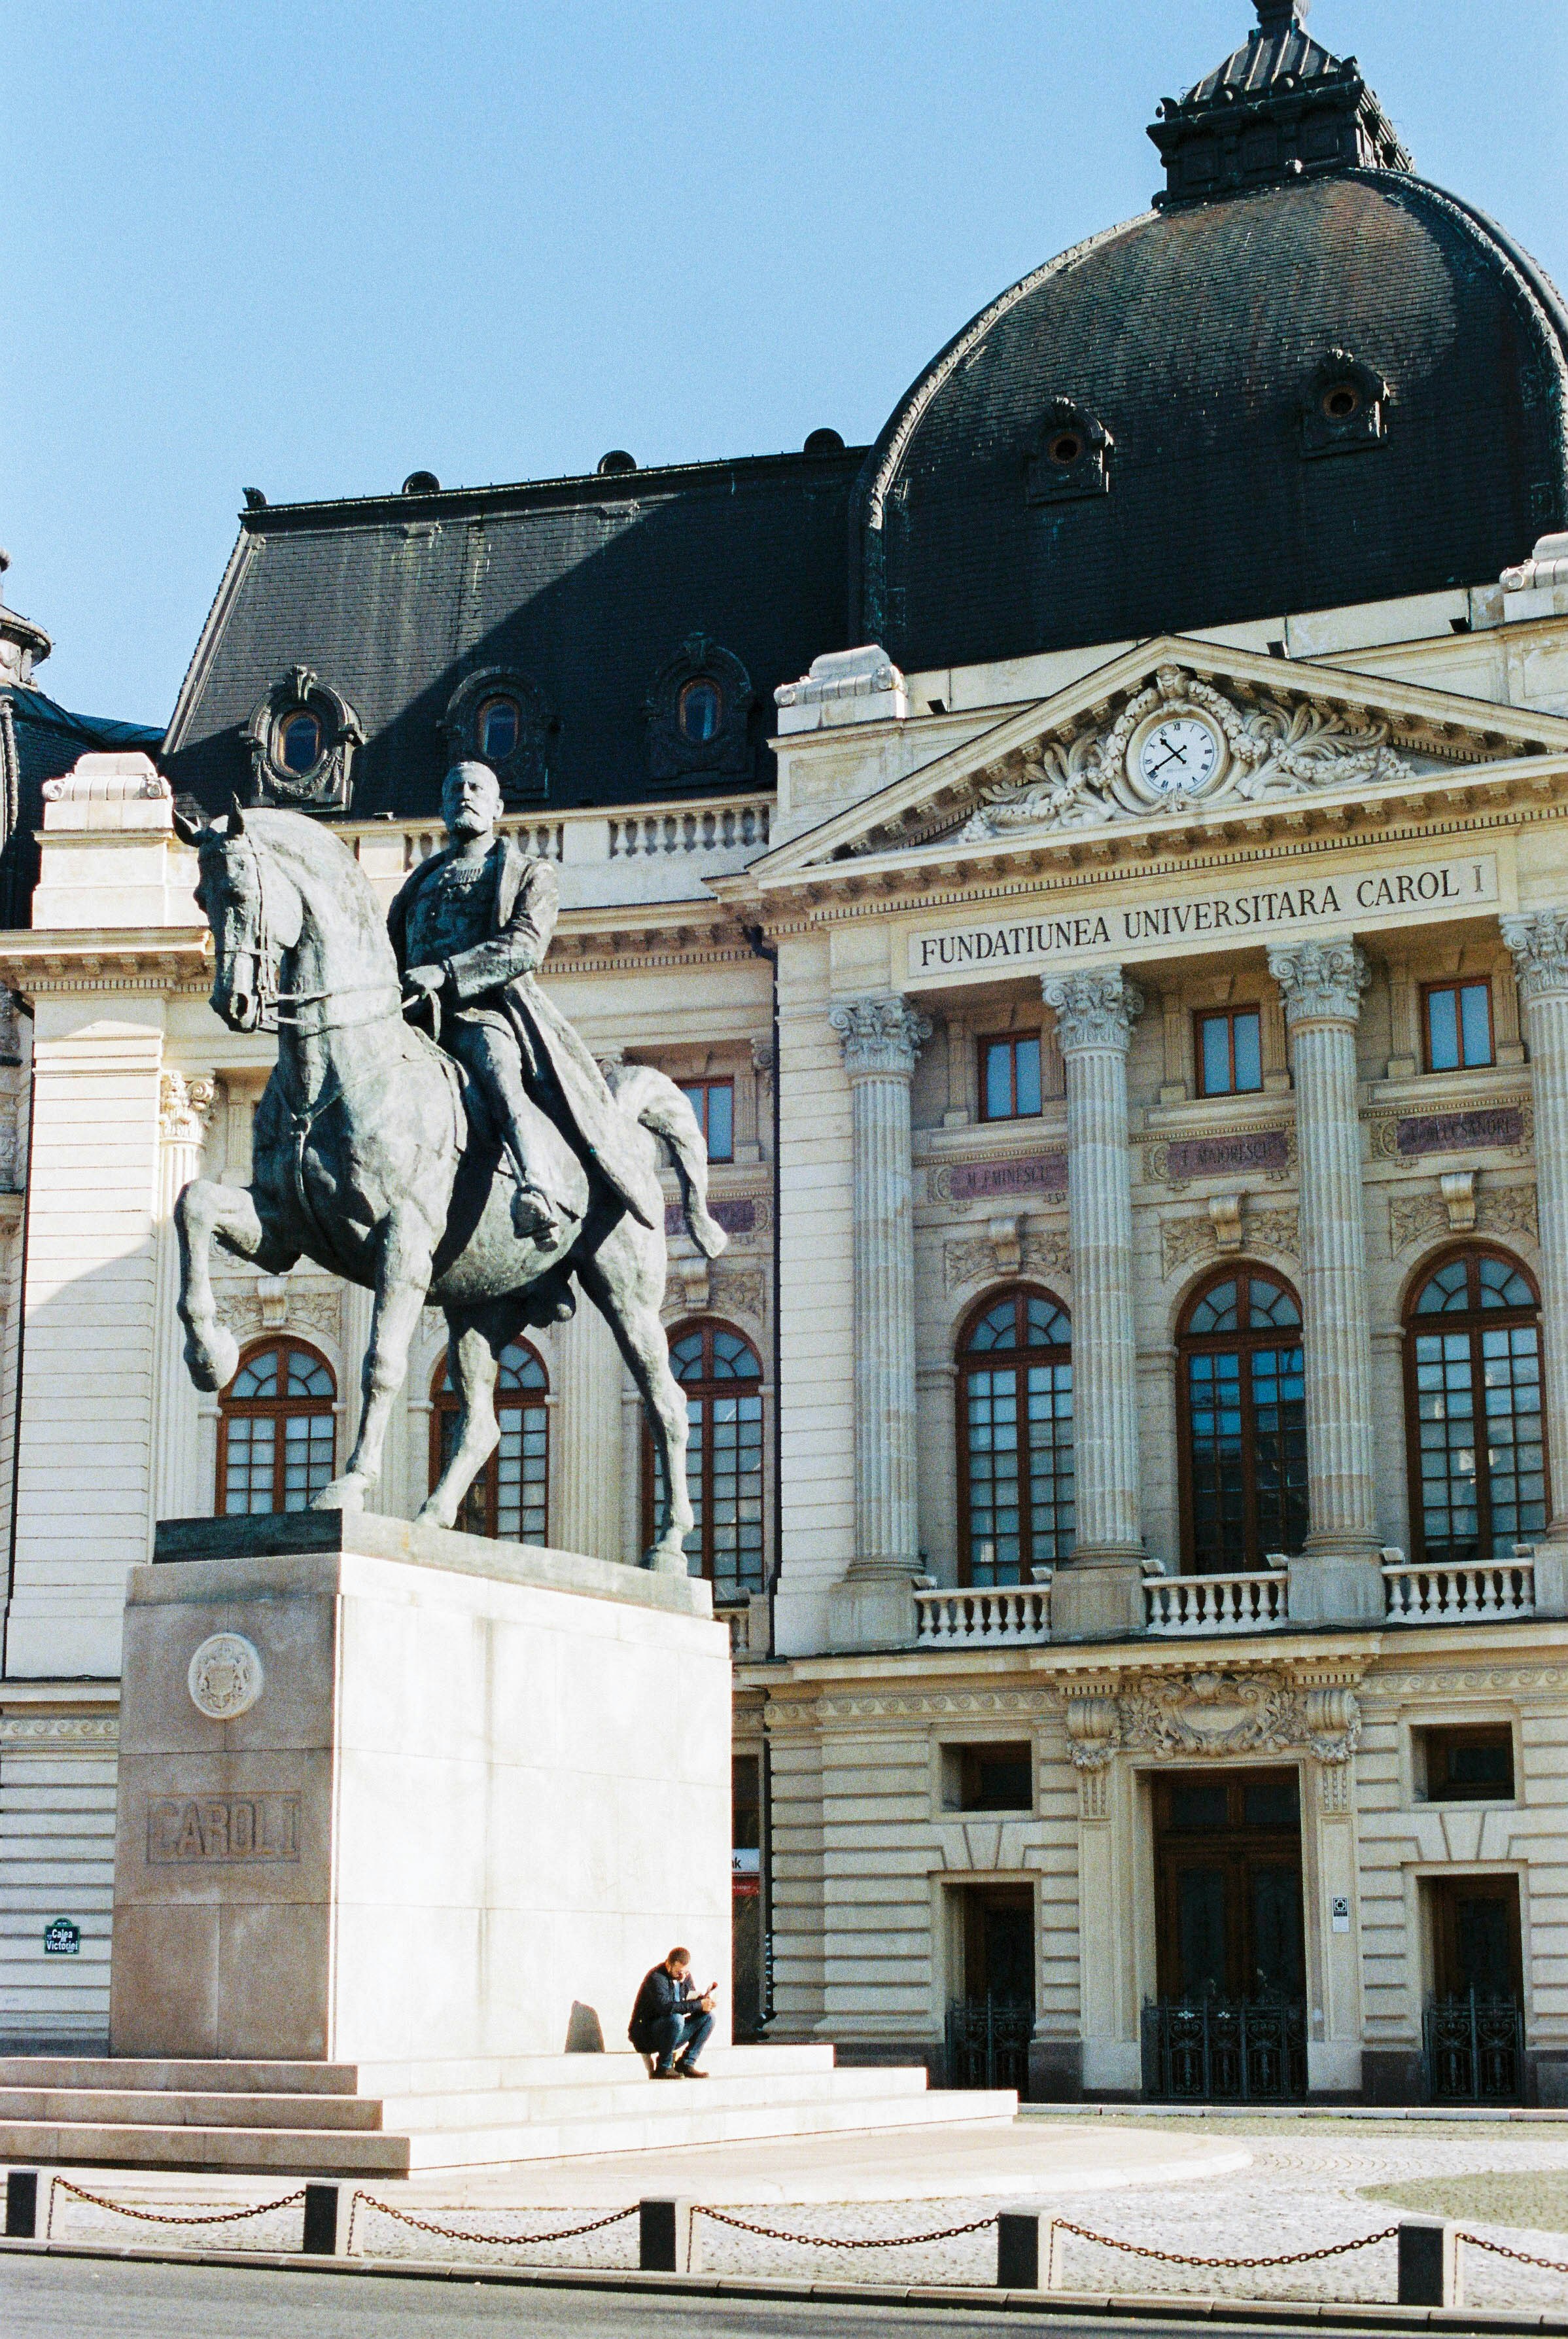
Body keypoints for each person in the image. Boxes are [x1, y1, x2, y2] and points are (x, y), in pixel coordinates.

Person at [388, 760, 663, 1244]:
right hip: (412, 1019)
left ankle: (535, 1185)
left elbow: (523, 946)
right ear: (442, 805)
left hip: (481, 1012)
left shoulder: (526, 872)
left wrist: (446, 973)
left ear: (497, 807)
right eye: (454, 788)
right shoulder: (418, 884)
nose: (464, 795)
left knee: (499, 1071)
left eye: (476, 788)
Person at [628, 1946, 716, 2079]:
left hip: (671, 2033)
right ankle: (664, 2066)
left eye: (685, 1972)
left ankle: (686, 2063)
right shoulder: (656, 1977)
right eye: (678, 1972)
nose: (683, 1976)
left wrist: (704, 2001)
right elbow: (666, 2008)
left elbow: (691, 1998)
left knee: (709, 2018)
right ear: (668, 1965)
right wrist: (698, 2005)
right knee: (676, 2019)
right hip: (647, 2034)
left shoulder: (685, 1977)